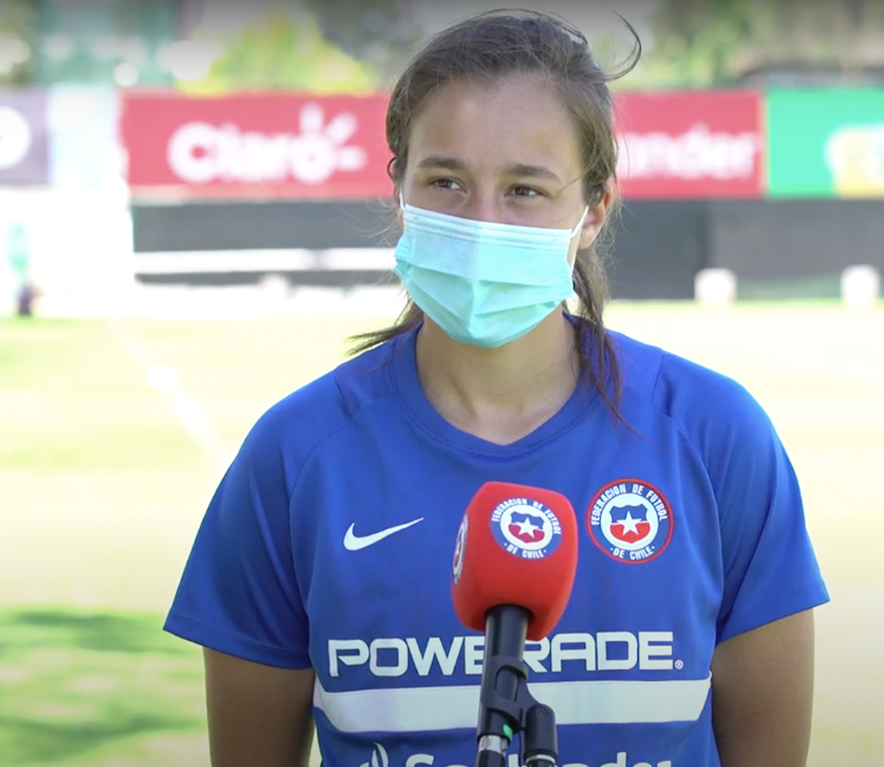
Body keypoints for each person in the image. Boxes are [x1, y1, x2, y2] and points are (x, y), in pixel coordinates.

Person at [164, 9, 830, 767]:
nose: (482, 223)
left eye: (525, 189)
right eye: (446, 181)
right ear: (398, 189)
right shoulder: (293, 458)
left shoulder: (715, 437)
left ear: (593, 211)